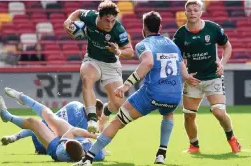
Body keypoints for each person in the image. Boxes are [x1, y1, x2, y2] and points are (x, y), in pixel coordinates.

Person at [74, 11, 200, 166]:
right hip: (174, 95)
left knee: (117, 121)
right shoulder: (172, 44)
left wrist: (127, 84)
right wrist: (188, 78)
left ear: (143, 28)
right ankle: (161, 154)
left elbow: (148, 63)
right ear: (160, 27)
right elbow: (183, 69)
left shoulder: (144, 44)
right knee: (167, 114)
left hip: (152, 93)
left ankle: (88, 158)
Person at [173, 0, 241, 153]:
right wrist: (185, 75)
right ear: (185, 12)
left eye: (195, 10)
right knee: (189, 116)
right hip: (193, 80)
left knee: (219, 112)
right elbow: (176, 57)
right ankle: (194, 146)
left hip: (212, 77)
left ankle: (232, 138)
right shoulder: (180, 34)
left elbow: (227, 46)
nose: (192, 13)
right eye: (189, 10)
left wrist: (222, 64)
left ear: (201, 12)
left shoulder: (213, 28)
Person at [64, 0, 134, 133]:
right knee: (86, 78)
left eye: (113, 21)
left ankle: (105, 114)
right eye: (107, 21)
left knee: (118, 103)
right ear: (99, 17)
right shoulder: (90, 17)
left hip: (111, 65)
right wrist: (68, 20)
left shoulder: (118, 29)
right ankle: (92, 119)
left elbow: (130, 52)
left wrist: (117, 51)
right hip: (92, 60)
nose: (110, 24)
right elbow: (77, 13)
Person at [0, 87, 105, 162]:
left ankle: (7, 115)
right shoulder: (97, 154)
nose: (98, 118)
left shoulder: (63, 151)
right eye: (98, 115)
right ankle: (20, 98)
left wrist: (95, 136)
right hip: (66, 136)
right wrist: (98, 138)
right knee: (50, 116)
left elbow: (72, 132)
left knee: (35, 121)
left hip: (55, 145)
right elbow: (101, 152)